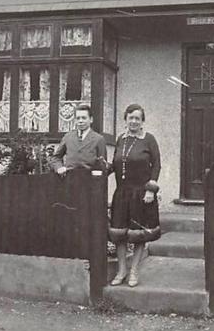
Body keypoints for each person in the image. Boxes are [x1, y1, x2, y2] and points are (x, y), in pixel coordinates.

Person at [108, 103, 161, 287]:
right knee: (119, 234)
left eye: (137, 118)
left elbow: (156, 165)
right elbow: (115, 164)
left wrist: (150, 189)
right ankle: (122, 271)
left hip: (141, 194)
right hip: (122, 192)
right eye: (130, 117)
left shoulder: (149, 140)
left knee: (138, 235)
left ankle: (134, 271)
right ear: (125, 120)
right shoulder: (121, 139)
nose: (133, 121)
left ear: (142, 121)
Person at [50, 104, 107, 175]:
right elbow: (56, 158)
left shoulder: (99, 139)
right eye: (78, 118)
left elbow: (103, 165)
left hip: (90, 181)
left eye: (84, 118)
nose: (80, 121)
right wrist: (59, 168)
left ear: (91, 119)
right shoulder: (68, 137)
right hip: (70, 180)